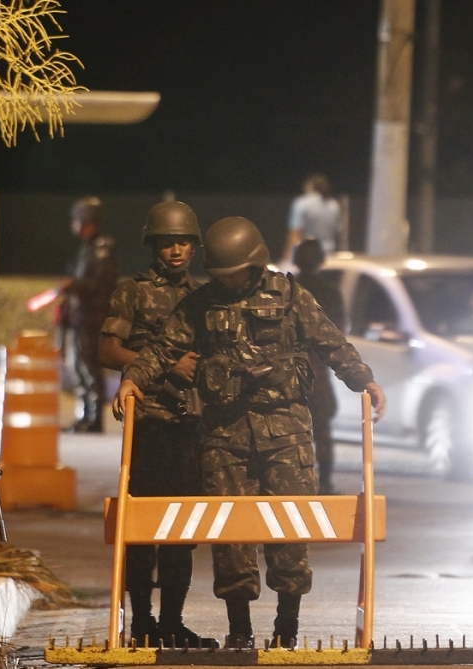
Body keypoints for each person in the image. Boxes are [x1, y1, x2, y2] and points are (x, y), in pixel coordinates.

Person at [114, 216, 386, 649]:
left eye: (234, 273)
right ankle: (239, 629)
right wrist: (135, 378)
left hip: (287, 432)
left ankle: (287, 627)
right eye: (220, 275)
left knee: (291, 529)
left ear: (254, 264)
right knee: (231, 536)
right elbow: (164, 347)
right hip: (225, 435)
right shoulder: (202, 303)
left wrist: (364, 380)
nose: (227, 282)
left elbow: (329, 342)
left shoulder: (290, 295)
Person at [98, 202, 211, 647]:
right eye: (168, 243)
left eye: (184, 242)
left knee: (181, 531)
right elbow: (109, 352)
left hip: (190, 424)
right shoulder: (132, 292)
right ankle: (142, 620)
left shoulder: (204, 295)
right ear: (154, 246)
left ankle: (171, 622)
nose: (177, 250)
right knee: (143, 527)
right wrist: (165, 370)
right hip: (147, 425)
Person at [61, 196, 120, 433]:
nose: (74, 226)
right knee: (79, 366)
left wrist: (73, 285)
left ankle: (95, 420)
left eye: (77, 220)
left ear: (88, 222)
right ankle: (84, 416)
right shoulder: (87, 249)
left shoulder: (104, 248)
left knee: (90, 367)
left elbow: (98, 284)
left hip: (93, 319)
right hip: (80, 318)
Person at [291, 239, 346, 495]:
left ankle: (297, 481)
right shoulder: (330, 291)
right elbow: (338, 332)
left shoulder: (287, 288)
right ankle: (324, 482)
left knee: (291, 430)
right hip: (318, 370)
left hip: (290, 369)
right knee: (322, 431)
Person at [282, 174, 340, 262]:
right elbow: (337, 232)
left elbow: (295, 233)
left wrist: (288, 256)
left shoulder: (301, 203)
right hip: (329, 255)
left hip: (307, 255)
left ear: (310, 186)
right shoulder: (334, 205)